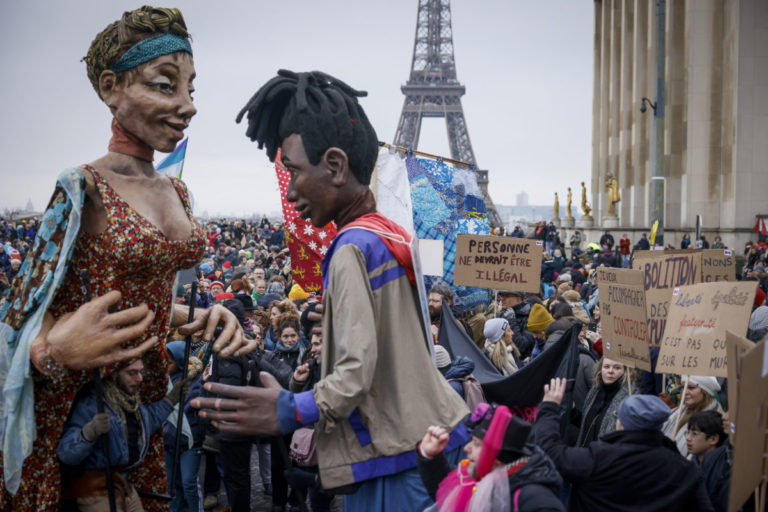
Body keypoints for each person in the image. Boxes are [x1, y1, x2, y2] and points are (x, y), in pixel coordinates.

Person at [0, 7, 249, 510]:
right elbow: (23, 310)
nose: (187, 106)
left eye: (190, 90)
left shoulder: (178, 189)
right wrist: (51, 351)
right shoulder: (83, 187)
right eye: (164, 85)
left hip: (145, 395)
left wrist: (199, 316)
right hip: (77, 407)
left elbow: (143, 301)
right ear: (111, 87)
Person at [195, 70, 468, 511]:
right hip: (431, 440)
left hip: (393, 458)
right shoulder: (388, 234)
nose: (291, 191)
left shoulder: (350, 248)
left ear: (336, 166)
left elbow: (355, 371)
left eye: (295, 172)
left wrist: (287, 409)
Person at [534, 378, 715, 512]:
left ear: (622, 423)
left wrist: (549, 408)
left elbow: (551, 452)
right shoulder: (684, 469)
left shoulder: (599, 457)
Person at [57, 358, 188, 511]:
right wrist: (89, 432)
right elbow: (66, 454)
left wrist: (171, 399)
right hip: (94, 491)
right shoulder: (92, 403)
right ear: (113, 374)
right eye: (132, 373)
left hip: (123, 486)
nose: (139, 378)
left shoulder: (131, 402)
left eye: (141, 372)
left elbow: (147, 423)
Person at [417, 403, 564, 512]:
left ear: (498, 458)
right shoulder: (481, 477)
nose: (466, 448)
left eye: (476, 444)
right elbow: (447, 492)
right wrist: (430, 455)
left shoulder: (535, 499)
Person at [163, 341, 205, 512]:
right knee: (172, 485)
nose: (165, 365)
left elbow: (190, 405)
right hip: (168, 439)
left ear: (180, 361)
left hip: (190, 440)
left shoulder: (194, 381)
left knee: (188, 482)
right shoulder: (162, 379)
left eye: (170, 362)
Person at [661, 376, 723, 457]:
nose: (685, 392)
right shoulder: (675, 412)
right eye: (683, 387)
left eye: (691, 388)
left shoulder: (714, 420)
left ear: (705, 391)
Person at [576, 357, 629, 447]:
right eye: (606, 367)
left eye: (617, 368)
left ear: (626, 372)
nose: (610, 371)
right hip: (584, 455)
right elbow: (587, 424)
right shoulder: (594, 391)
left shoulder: (629, 399)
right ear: (600, 369)